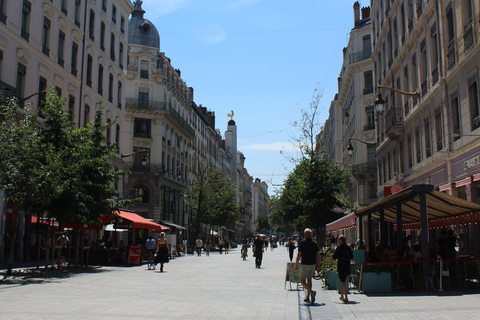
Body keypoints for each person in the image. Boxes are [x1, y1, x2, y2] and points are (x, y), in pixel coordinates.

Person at [295, 228, 321, 304]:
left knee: (302, 280)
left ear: (304, 235)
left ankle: (311, 292)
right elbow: (318, 256)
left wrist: (296, 264)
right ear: (311, 235)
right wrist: (319, 266)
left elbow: (299, 255)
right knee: (309, 280)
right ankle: (307, 296)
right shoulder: (314, 244)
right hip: (313, 264)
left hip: (305, 264)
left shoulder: (302, 243)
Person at [329, 234, 353, 303]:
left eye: (339, 240)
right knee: (344, 279)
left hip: (341, 264)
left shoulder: (339, 248)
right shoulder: (348, 248)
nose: (338, 241)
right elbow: (351, 256)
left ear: (341, 241)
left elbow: (334, 256)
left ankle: (345, 296)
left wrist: (330, 263)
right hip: (347, 264)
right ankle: (342, 295)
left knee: (342, 281)